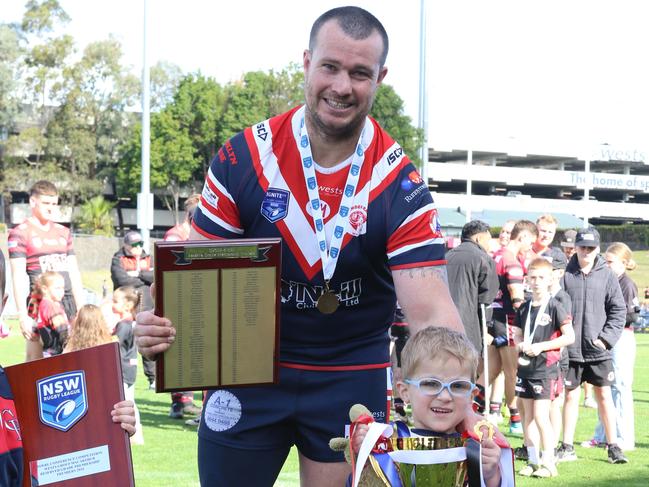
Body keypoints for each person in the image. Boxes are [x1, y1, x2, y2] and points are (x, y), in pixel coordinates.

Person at [135, 7, 465, 486]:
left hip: (350, 372)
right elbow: (186, 275)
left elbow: (432, 313)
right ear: (307, 63)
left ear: (380, 78)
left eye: (359, 73)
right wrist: (153, 319)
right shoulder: (243, 157)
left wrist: (463, 396)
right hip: (246, 371)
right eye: (330, 67)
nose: (341, 86)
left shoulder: (399, 181)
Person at [350, 326, 512, 487]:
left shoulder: (477, 449)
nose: (445, 396)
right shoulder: (386, 443)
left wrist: (491, 476)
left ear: (471, 395)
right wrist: (364, 457)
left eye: (457, 386)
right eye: (430, 384)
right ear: (405, 392)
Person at [557, 227, 627, 464]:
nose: (585, 251)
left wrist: (605, 339)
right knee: (570, 397)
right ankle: (566, 446)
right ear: (574, 247)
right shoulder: (565, 274)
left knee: (605, 396)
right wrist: (562, 340)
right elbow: (556, 308)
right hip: (571, 349)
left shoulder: (606, 275)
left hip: (598, 350)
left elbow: (618, 310)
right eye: (582, 247)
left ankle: (613, 446)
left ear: (597, 248)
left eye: (590, 248)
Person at [8, 180, 83, 361]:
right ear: (33, 202)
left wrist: (80, 307)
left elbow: (74, 272)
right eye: (46, 203)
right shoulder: (20, 232)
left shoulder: (63, 232)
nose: (51, 208)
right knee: (35, 360)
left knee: (71, 358)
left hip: (67, 302)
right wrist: (23, 315)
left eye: (54, 204)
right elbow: (17, 275)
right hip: (39, 302)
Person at [513, 258, 574, 478]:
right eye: (533, 277)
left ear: (550, 279)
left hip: (545, 369)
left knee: (541, 416)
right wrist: (519, 342)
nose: (536, 282)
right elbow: (518, 332)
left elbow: (569, 337)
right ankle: (532, 460)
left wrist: (541, 347)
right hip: (525, 369)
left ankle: (549, 461)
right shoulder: (525, 307)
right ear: (527, 279)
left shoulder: (556, 306)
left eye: (541, 277)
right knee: (526, 416)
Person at [484, 220, 538, 436]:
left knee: (491, 371)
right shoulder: (511, 261)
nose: (530, 247)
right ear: (522, 237)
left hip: (493, 317)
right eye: (530, 242)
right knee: (511, 372)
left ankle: (471, 407)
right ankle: (515, 419)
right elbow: (516, 299)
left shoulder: (497, 255)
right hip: (506, 320)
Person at [585, 242, 639, 451]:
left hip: (621, 338)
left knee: (621, 387)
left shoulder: (626, 284)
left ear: (624, 263)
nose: (606, 265)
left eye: (610, 262)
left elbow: (632, 315)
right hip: (607, 339)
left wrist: (607, 318)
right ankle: (604, 434)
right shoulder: (606, 282)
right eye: (604, 261)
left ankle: (624, 437)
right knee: (605, 387)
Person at [163, 195, 203, 421]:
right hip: (180, 301)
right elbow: (170, 266)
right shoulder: (176, 236)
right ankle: (181, 403)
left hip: (194, 298)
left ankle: (189, 403)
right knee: (182, 353)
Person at [110, 230, 156, 389]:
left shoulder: (149, 257)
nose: (138, 247)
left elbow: (155, 276)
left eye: (140, 244)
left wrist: (139, 274)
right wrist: (144, 278)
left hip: (146, 306)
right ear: (126, 245)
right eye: (134, 244)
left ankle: (152, 378)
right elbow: (121, 279)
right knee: (124, 344)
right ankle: (120, 376)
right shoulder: (118, 258)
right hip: (124, 311)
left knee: (147, 341)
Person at [446, 220, 499, 354]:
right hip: (469, 326)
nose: (489, 245)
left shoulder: (445, 256)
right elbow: (487, 298)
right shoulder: (484, 259)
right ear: (478, 238)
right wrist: (485, 327)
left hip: (443, 323)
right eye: (488, 240)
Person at [112, 286, 145, 444]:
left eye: (115, 301)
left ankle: (136, 433)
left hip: (124, 368)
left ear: (127, 305)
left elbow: (115, 345)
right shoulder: (131, 322)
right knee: (130, 399)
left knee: (127, 402)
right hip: (130, 367)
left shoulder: (124, 325)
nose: (112, 304)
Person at [33, 271, 70, 358]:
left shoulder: (41, 304)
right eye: (57, 288)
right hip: (56, 354)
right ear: (45, 289)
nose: (62, 292)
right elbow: (62, 332)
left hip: (47, 353)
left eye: (63, 288)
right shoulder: (50, 307)